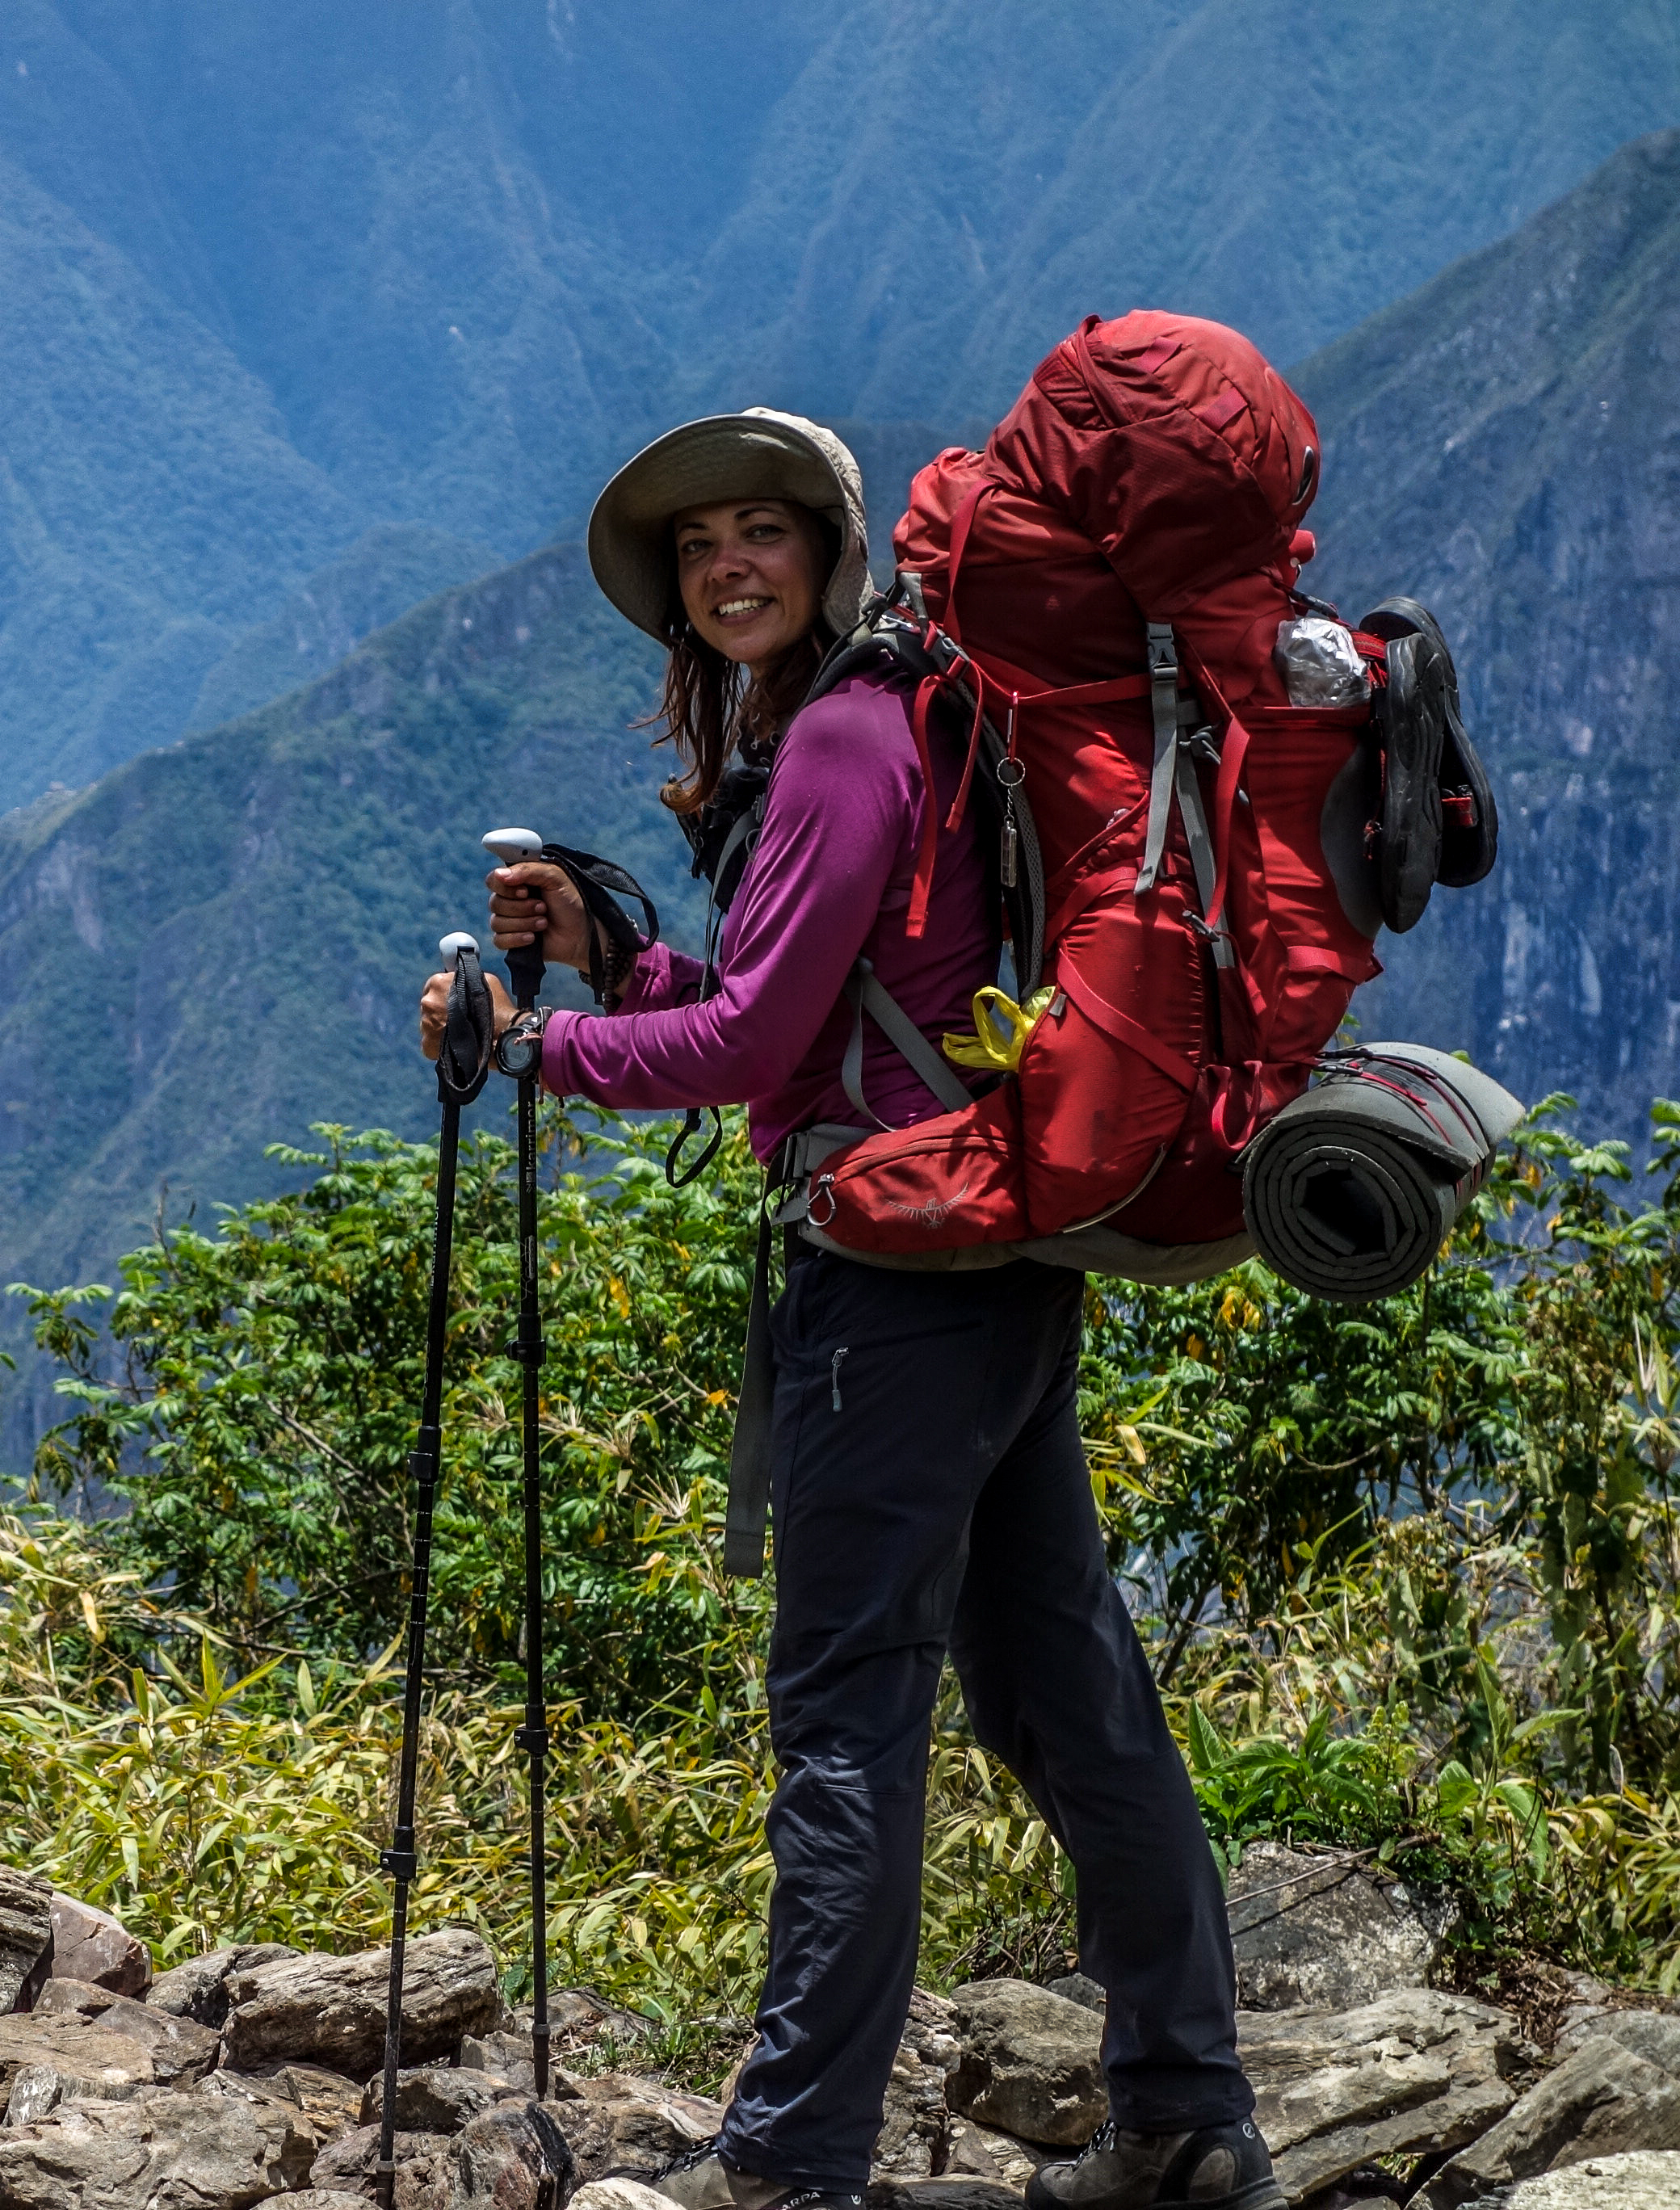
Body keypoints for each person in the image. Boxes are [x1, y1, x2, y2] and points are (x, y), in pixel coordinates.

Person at [419, 411, 1283, 2210]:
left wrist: (538, 1044)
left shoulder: (833, 738)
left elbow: (744, 1049)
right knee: (1066, 1697)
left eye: (764, 531)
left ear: (829, 549)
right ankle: (1187, 2122)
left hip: (896, 1288)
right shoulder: (910, 713)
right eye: (701, 546)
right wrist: (612, 954)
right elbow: (811, 1010)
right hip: (996, 1248)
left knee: (843, 1714)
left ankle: (794, 2161)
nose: (732, 564)